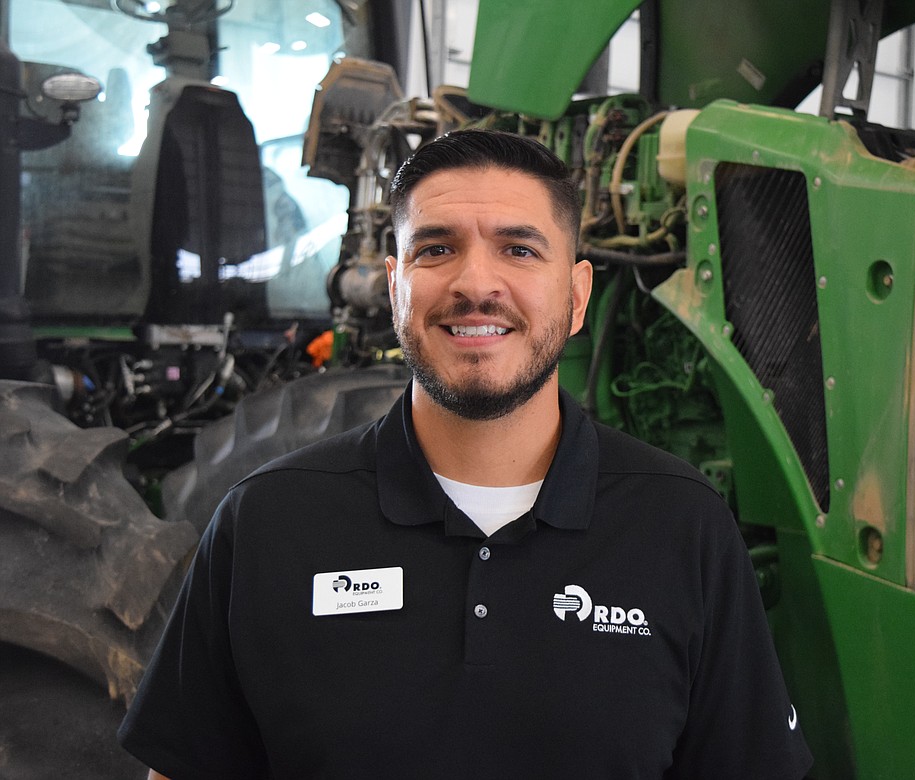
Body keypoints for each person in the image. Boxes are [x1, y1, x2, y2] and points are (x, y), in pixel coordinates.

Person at [118, 129, 813, 779]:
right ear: (394, 288)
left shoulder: (681, 527)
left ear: (576, 298)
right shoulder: (268, 522)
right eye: (436, 248)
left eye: (518, 249)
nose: (476, 283)